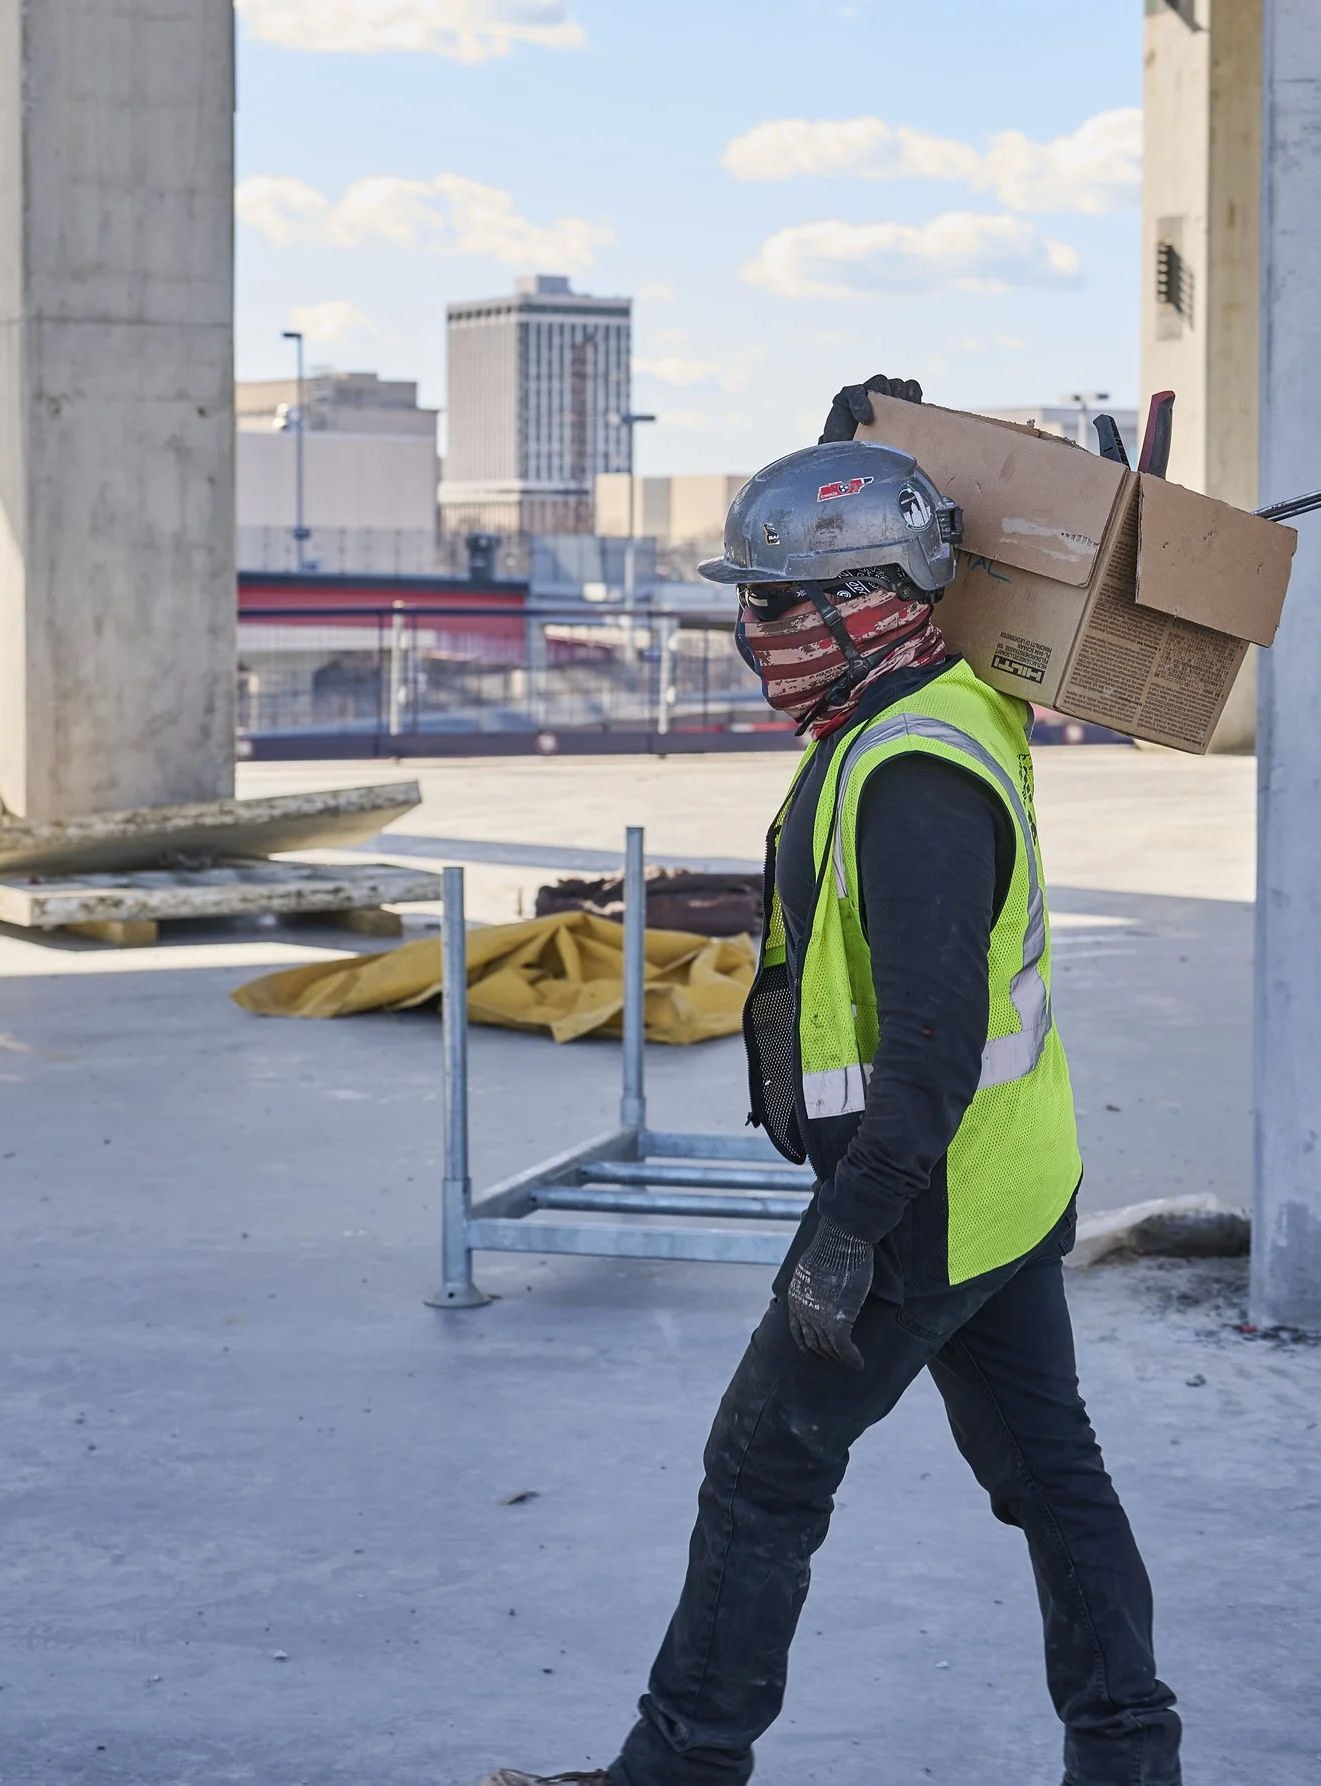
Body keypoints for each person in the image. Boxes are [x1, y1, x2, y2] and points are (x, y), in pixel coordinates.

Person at [480, 377, 1181, 1786]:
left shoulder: (915, 772)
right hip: (1009, 1182)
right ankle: (1130, 1760)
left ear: (867, 604)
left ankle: (677, 1770)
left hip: (919, 1204)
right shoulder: (939, 698)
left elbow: (926, 1048)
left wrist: (850, 1238)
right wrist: (874, 422)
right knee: (1055, 1481)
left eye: (779, 605)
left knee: (762, 1469)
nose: (756, 637)